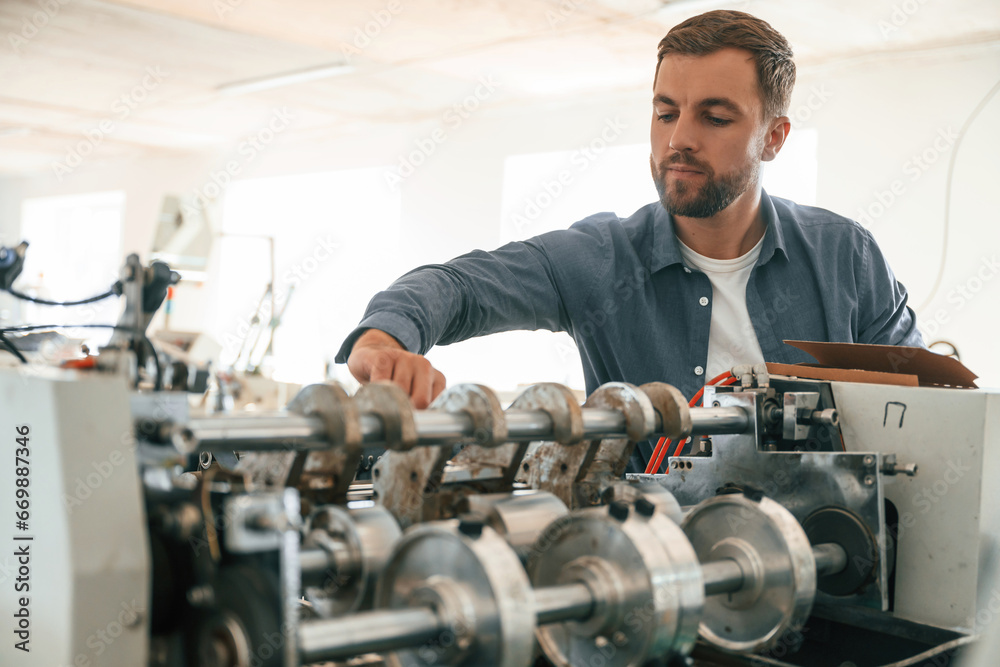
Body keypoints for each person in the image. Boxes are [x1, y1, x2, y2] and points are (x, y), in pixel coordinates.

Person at [335, 10, 923, 473]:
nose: (680, 140)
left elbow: (926, 408)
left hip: (832, 566)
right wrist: (385, 338)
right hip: (654, 579)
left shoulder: (846, 256)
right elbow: (459, 285)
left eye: (715, 118)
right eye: (666, 113)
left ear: (774, 137)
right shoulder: (600, 260)